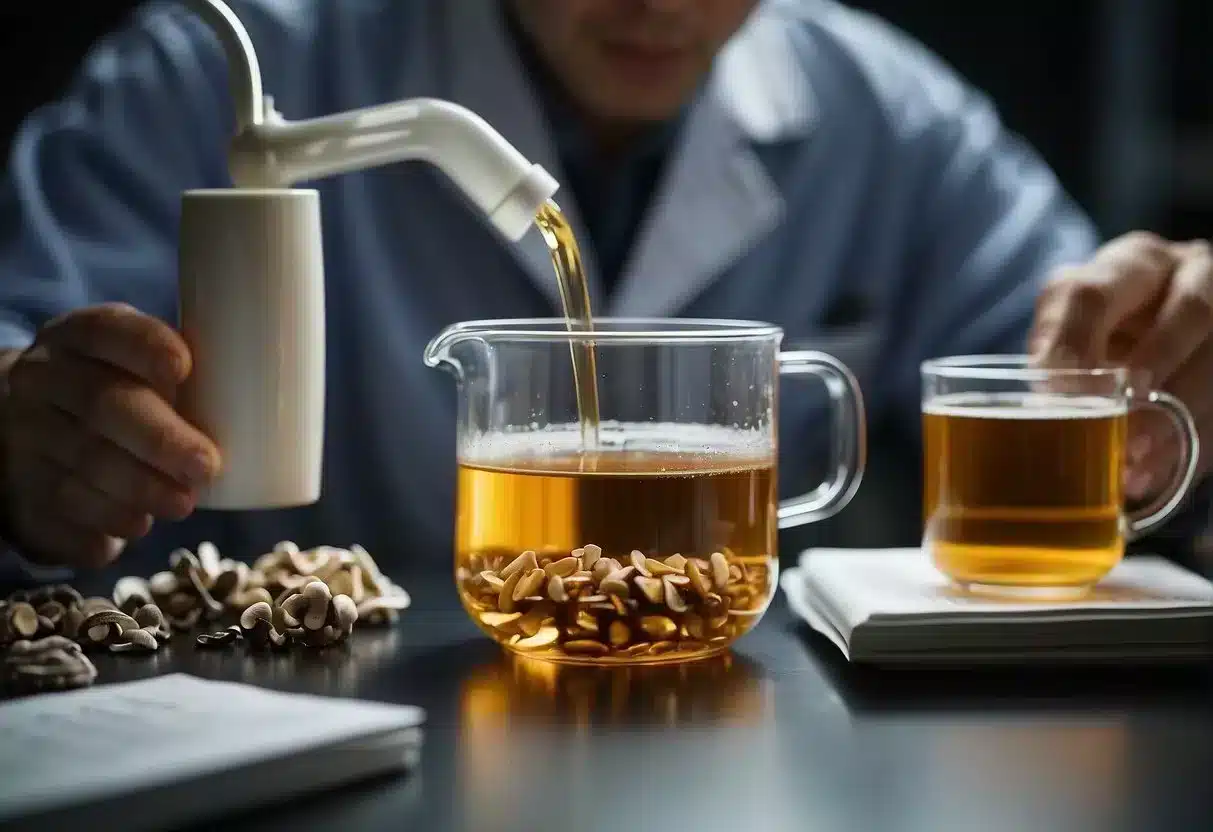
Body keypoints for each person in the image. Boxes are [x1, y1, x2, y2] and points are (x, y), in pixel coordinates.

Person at [0, 0, 1210, 581]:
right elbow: (26, 363)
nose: (660, 7)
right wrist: (26, 462)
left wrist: (1176, 388)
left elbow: (1085, 396)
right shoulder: (200, 83)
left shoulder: (892, 123)